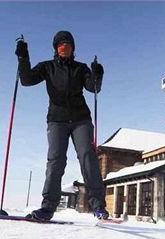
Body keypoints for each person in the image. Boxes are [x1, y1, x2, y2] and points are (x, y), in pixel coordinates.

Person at [15, 31, 109, 221]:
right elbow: (26, 80)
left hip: (80, 119)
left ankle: (98, 207)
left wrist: (97, 74)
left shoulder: (80, 68)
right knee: (56, 160)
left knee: (87, 157)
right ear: (55, 49)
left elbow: (94, 88)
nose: (64, 47)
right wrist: (23, 57)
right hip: (57, 120)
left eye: (68, 44)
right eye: (60, 44)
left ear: (73, 48)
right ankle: (48, 208)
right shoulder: (47, 67)